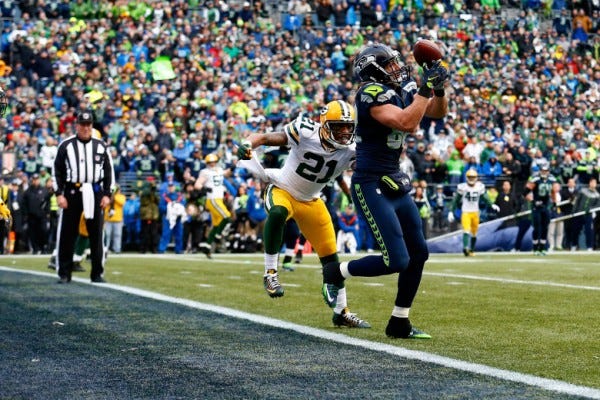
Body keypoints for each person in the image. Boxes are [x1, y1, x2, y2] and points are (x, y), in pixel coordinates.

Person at [321, 43, 449, 338]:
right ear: (373, 69)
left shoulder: (397, 88)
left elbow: (437, 113)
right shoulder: (369, 93)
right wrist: (425, 89)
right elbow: (408, 123)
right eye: (389, 64)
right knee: (397, 260)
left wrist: (439, 88)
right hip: (369, 183)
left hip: (393, 179)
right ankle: (335, 273)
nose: (397, 68)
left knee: (419, 253)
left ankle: (399, 321)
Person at [237, 99, 370, 328]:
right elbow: (268, 138)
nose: (345, 132)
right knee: (278, 213)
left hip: (312, 201)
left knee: (331, 257)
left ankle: (341, 312)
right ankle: (270, 272)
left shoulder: (351, 150)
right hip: (283, 189)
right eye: (339, 126)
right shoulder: (306, 131)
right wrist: (248, 143)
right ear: (325, 124)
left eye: (349, 127)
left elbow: (356, 172)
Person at [53, 109, 114, 283]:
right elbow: (56, 171)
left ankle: (97, 273)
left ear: (92, 126)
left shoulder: (101, 146)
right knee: (67, 233)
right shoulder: (66, 145)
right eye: (82, 124)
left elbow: (109, 172)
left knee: (96, 234)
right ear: (77, 125)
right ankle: (64, 273)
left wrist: (107, 194)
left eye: (88, 125)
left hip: (94, 191)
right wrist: (59, 194)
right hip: (72, 191)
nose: (85, 128)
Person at [448, 169, 500, 256]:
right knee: (466, 231)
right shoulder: (463, 187)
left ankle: (471, 250)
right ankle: (465, 248)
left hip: (475, 212)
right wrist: (451, 211)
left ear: (476, 177)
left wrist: (492, 205)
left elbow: (485, 197)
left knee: (474, 233)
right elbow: (456, 200)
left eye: (473, 177)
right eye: (470, 177)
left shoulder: (479, 186)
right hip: (466, 212)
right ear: (466, 177)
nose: (471, 179)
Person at [194, 153, 231, 258]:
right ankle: (218, 236)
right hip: (213, 199)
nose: (212, 164)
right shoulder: (205, 172)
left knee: (216, 225)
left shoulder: (219, 170)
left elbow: (226, 173)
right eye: (210, 162)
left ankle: (207, 246)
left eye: (214, 162)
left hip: (219, 199)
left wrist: (233, 167)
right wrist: (203, 188)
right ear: (207, 163)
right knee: (227, 217)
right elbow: (197, 184)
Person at [526, 163, 557, 255]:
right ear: (540, 171)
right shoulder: (536, 180)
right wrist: (532, 200)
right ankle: (535, 248)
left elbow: (553, 192)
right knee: (537, 227)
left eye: (546, 171)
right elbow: (525, 192)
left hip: (546, 206)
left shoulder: (551, 180)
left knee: (545, 227)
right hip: (536, 206)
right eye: (543, 171)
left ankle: (543, 248)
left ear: (548, 171)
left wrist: (554, 202)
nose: (544, 172)